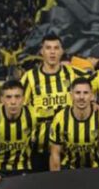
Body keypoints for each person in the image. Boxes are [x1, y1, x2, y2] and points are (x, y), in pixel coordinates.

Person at [20, 33, 88, 172]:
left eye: (56, 48)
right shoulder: (29, 77)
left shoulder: (74, 73)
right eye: (48, 48)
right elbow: (20, 107)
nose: (52, 52)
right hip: (39, 146)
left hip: (68, 147)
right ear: (42, 51)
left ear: (61, 51)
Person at [49, 77, 99, 170]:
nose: (81, 97)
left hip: (96, 170)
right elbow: (55, 154)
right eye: (77, 93)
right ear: (71, 95)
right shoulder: (60, 119)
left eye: (86, 93)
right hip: (68, 171)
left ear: (92, 95)